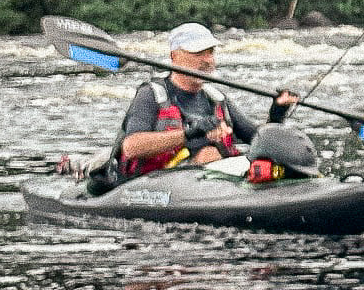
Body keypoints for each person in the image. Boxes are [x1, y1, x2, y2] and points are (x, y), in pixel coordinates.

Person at [115, 23, 299, 178]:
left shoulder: (216, 98)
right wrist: (191, 133)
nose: (207, 60)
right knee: (208, 155)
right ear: (175, 56)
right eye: (198, 53)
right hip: (158, 183)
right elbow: (131, 147)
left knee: (218, 156)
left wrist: (277, 114)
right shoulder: (150, 95)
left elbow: (259, 141)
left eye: (210, 52)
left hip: (210, 182)